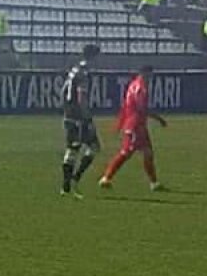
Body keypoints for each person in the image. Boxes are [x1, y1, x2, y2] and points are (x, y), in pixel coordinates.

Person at [99, 65, 167, 191]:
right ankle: (106, 178)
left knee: (147, 153)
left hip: (137, 124)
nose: (151, 77)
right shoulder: (141, 87)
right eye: (150, 74)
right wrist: (158, 118)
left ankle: (154, 183)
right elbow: (141, 108)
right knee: (126, 152)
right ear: (145, 73)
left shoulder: (133, 84)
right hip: (135, 125)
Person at [60, 43, 102, 197]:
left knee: (72, 149)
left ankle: (65, 188)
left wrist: (66, 109)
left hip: (69, 114)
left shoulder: (74, 69)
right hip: (79, 116)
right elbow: (81, 97)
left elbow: (63, 91)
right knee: (94, 147)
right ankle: (74, 179)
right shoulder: (84, 73)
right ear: (94, 57)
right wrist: (87, 118)